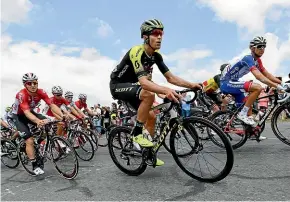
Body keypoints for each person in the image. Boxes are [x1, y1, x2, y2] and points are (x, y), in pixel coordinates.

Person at [109, 19, 201, 166]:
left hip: (136, 87)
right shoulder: (137, 51)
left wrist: (192, 85)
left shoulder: (155, 56)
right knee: (148, 95)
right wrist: (165, 90)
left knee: (151, 117)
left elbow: (170, 78)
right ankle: (138, 134)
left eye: (161, 34)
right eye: (155, 34)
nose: (159, 37)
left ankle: (148, 152)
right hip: (118, 85)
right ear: (145, 37)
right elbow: (145, 83)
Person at [220, 36, 287, 129]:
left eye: (264, 46)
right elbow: (259, 76)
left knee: (248, 106)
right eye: (260, 46)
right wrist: (277, 86)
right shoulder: (248, 58)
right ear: (252, 48)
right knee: (258, 87)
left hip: (234, 81)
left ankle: (251, 132)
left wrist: (282, 83)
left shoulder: (257, 60)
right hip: (226, 83)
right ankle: (242, 115)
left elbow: (267, 74)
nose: (262, 49)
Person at [12, 73, 64, 175]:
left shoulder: (41, 92)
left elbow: (52, 105)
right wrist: (37, 121)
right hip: (19, 116)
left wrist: (62, 116)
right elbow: (26, 112)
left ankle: (39, 144)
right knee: (29, 140)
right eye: (29, 83)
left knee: (50, 125)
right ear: (25, 85)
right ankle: (34, 164)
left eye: (35, 83)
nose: (32, 85)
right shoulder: (21, 94)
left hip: (31, 113)